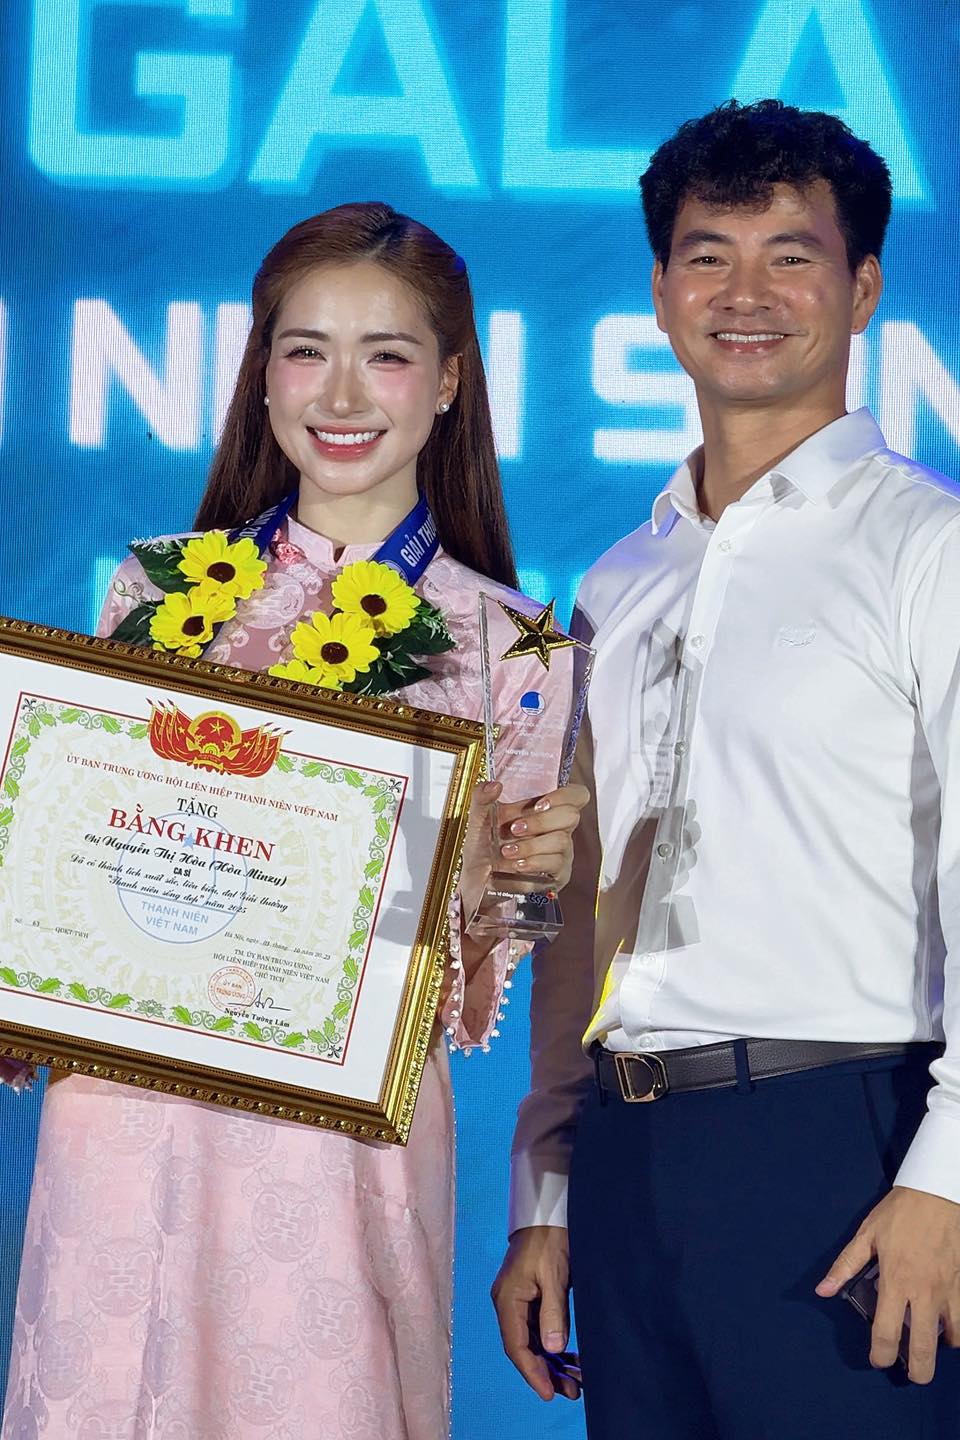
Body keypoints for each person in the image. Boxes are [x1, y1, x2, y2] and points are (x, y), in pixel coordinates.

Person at [0, 202, 587, 1440]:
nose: (342, 392)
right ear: (262, 371)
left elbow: (478, 974)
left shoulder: (519, 644)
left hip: (336, 1151)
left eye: (388, 354)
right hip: (125, 1116)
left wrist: (492, 880)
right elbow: (79, 859)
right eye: (307, 349)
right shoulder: (156, 588)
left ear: (450, 382)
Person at [492, 100, 960, 1438]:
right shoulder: (619, 581)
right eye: (709, 256)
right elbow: (587, 912)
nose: (745, 294)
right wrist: (550, 1190)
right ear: (659, 292)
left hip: (848, 1146)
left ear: (863, 288)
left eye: (790, 255)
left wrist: (948, 1181)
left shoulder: (928, 547)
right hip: (632, 1156)